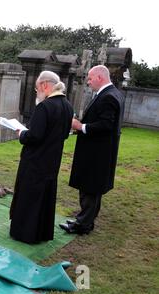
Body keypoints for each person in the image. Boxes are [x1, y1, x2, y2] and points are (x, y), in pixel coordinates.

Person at [9, 71, 74, 244]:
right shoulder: (67, 105)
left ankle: (25, 234)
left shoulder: (44, 106)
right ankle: (42, 233)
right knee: (45, 196)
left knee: (30, 196)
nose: (36, 92)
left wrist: (22, 133)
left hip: (35, 160)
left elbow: (35, 136)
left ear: (45, 85)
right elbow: (65, 135)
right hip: (52, 160)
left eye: (37, 88)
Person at [60, 65, 124, 235]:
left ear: (99, 78)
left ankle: (82, 225)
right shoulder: (112, 93)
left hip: (97, 153)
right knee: (92, 189)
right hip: (100, 151)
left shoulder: (108, 97)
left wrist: (81, 126)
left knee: (89, 188)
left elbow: (106, 125)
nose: (88, 82)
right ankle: (86, 222)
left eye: (90, 78)